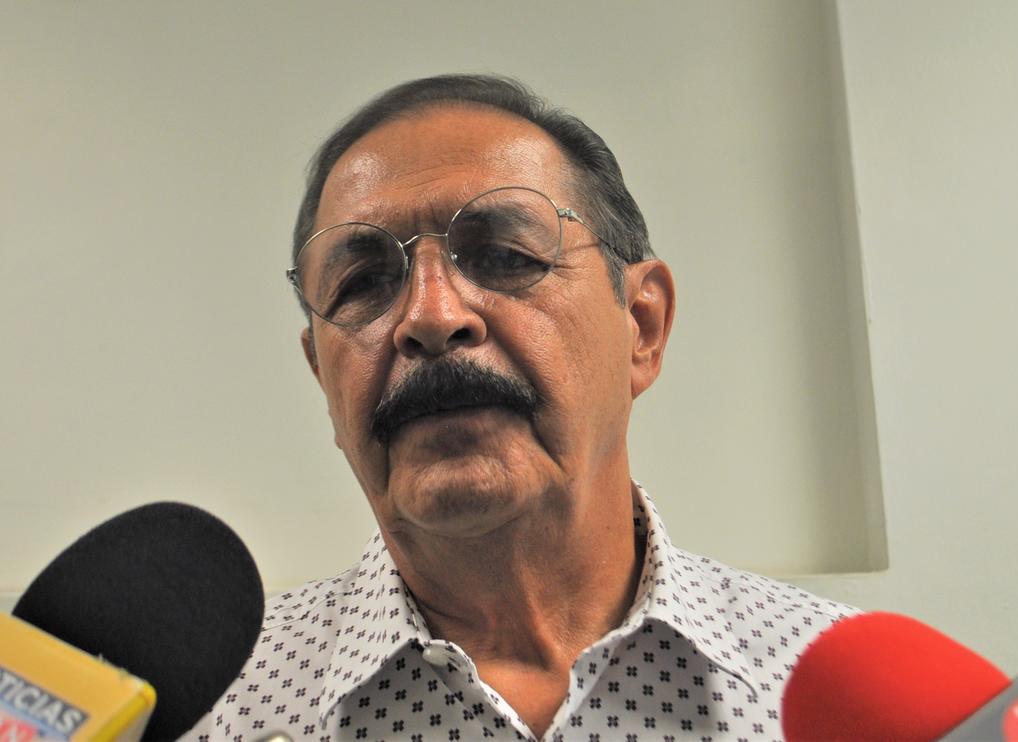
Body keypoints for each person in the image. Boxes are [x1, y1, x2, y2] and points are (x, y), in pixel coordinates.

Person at [188, 74, 855, 742]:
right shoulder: (208, 715)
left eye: (504, 257)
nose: (430, 317)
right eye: (364, 283)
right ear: (322, 377)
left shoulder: (845, 696)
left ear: (642, 326)